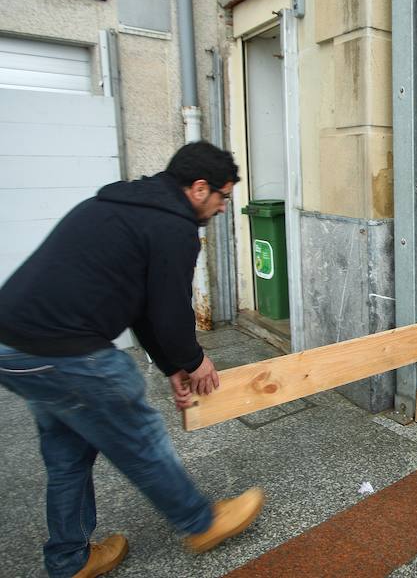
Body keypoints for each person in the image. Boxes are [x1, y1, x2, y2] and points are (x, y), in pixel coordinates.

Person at [0, 142, 264, 577]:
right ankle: (201, 523)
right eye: (223, 197)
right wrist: (194, 360)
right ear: (200, 188)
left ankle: (70, 559)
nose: (223, 208)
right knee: (139, 436)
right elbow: (169, 309)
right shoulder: (174, 227)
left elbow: (143, 305)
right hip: (66, 351)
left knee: (68, 453)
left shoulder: (120, 205)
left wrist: (172, 365)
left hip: (15, 348)